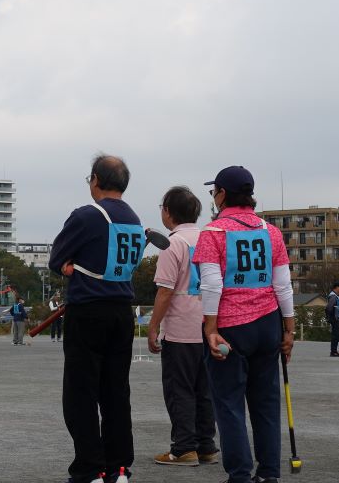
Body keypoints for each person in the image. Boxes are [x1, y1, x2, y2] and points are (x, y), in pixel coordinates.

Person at [193, 166, 294, 483]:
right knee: (266, 403)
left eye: (214, 192)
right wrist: (289, 329)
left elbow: (210, 285)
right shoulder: (271, 231)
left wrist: (210, 328)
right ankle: (269, 474)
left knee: (229, 404)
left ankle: (240, 474)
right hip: (268, 324)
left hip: (231, 327)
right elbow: (284, 285)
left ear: (222, 194)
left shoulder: (213, 232)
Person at [49, 154, 145, 483]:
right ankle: (119, 468)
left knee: (81, 393)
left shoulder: (87, 216)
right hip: (122, 312)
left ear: (95, 180)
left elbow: (56, 258)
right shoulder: (133, 218)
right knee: (116, 392)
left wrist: (68, 265)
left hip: (88, 311)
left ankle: (90, 468)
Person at [147, 186, 218, 467]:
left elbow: (164, 292)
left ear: (167, 212)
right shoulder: (209, 239)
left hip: (180, 329)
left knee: (180, 390)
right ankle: (206, 446)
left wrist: (153, 327)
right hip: (209, 325)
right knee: (205, 390)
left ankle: (183, 448)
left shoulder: (171, 244)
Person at [326, 282, 339, 357]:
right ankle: (333, 352)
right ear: (336, 288)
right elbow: (329, 308)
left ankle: (334, 351)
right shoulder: (333, 296)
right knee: (335, 335)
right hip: (335, 319)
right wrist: (330, 317)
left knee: (336, 335)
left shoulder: (335, 296)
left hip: (336, 318)